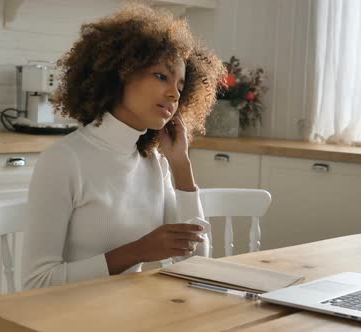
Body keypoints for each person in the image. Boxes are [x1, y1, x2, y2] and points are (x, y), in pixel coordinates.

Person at [21, 3, 225, 290]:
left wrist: (181, 165)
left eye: (180, 86)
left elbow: (196, 264)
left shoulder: (155, 162)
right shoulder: (65, 160)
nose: (173, 93)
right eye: (161, 76)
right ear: (122, 72)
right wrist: (138, 251)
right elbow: (36, 283)